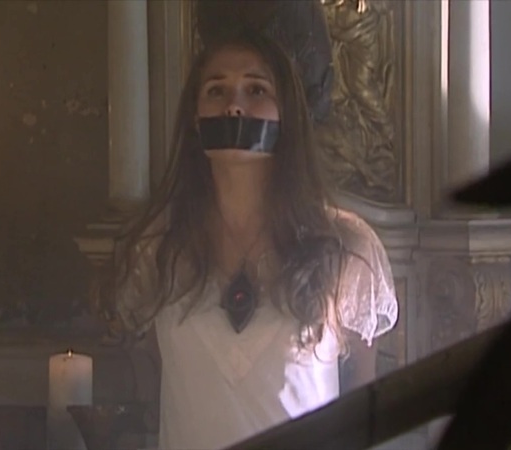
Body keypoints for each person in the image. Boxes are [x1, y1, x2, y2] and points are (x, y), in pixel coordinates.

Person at [111, 29, 398, 450]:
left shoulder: (344, 246)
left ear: (286, 114)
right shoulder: (157, 248)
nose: (234, 106)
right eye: (216, 90)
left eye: (256, 89)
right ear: (195, 119)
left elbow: (362, 404)